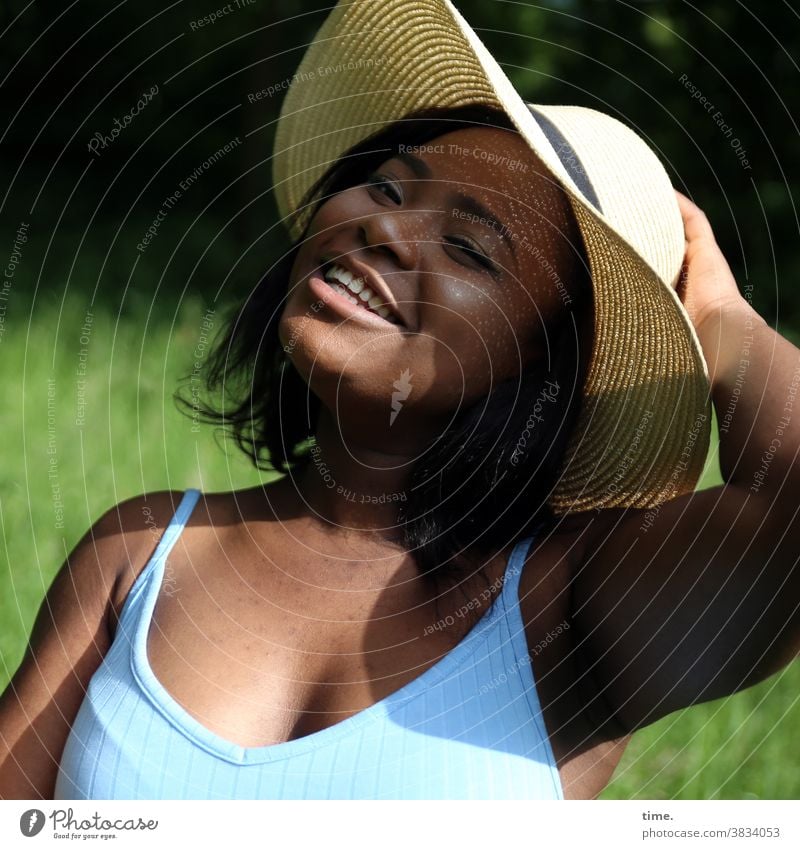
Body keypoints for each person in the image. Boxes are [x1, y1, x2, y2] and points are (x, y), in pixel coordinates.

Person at [1, 0, 797, 801]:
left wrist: (723, 325)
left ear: (540, 356)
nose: (383, 230)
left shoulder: (574, 603)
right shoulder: (140, 552)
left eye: (467, 249)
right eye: (386, 188)